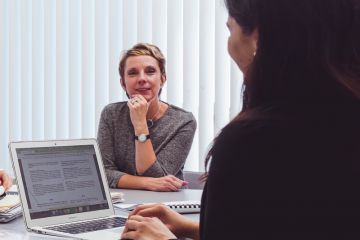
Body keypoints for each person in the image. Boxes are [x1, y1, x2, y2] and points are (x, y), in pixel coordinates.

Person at [121, 0, 360, 239]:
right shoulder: (340, 121)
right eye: (132, 73)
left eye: (230, 29)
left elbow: (155, 176)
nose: (230, 44)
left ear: (257, 36)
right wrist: (192, 228)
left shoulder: (250, 140)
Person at [97, 43, 196, 192]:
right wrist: (146, 183)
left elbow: (159, 176)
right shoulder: (111, 114)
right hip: (123, 204)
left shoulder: (183, 121)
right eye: (132, 73)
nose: (142, 79)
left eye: (150, 71)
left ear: (162, 79)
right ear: (123, 83)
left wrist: (140, 124)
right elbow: (104, 172)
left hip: (166, 205)